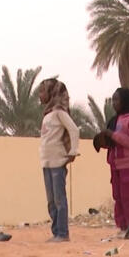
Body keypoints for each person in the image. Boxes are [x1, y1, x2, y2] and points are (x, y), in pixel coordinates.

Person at [95, 87, 129, 240]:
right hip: (114, 164)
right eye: (113, 100)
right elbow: (111, 142)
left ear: (125, 101)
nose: (114, 103)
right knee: (117, 197)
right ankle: (123, 227)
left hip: (128, 165)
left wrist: (113, 135)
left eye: (117, 99)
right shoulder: (114, 120)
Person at [38, 78, 79, 242]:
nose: (40, 95)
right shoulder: (48, 115)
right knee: (51, 201)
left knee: (59, 199)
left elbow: (74, 130)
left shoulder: (59, 112)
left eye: (42, 91)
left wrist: (73, 151)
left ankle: (63, 233)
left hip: (57, 162)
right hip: (46, 162)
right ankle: (56, 232)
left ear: (52, 92)